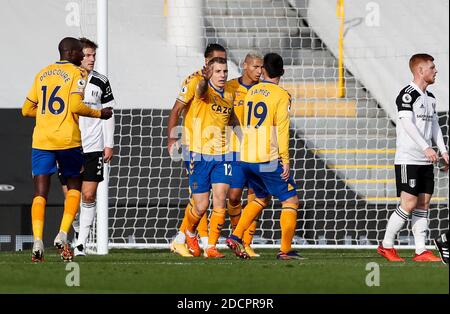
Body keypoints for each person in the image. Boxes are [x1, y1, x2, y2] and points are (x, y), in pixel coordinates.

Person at [22, 37, 113, 262]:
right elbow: (74, 106)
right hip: (68, 140)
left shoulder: (42, 73)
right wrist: (99, 114)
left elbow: (26, 109)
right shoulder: (77, 74)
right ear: (71, 53)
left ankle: (37, 240)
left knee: (40, 192)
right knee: (74, 188)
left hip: (42, 140)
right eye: (81, 53)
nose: (84, 57)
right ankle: (63, 234)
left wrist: (48, 115)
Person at [226, 53, 303, 260]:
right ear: (282, 72)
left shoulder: (251, 92)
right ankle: (285, 250)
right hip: (266, 157)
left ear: (264, 71)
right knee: (291, 201)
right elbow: (282, 129)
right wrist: (285, 159)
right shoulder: (281, 95)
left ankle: (235, 236)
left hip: (246, 155)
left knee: (260, 197)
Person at [377, 53, 449, 262]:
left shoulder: (431, 98)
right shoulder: (407, 94)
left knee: (423, 204)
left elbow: (435, 126)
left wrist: (443, 150)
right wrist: (426, 147)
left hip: (426, 160)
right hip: (408, 158)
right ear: (420, 70)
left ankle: (420, 251)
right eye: (432, 67)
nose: (435, 71)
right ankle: (386, 245)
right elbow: (407, 124)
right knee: (408, 204)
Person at [167, 44, 226, 257]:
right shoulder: (194, 82)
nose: (221, 69)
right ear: (207, 62)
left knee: (210, 197)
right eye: (216, 63)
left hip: (217, 149)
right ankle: (187, 238)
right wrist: (172, 138)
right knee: (199, 198)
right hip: (193, 146)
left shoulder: (224, 89)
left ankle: (190, 239)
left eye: (223, 64)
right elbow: (176, 109)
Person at [59, 37, 116, 256]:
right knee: (71, 198)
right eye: (87, 55)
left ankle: (81, 243)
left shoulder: (101, 81)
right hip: (69, 145)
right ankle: (75, 234)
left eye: (94, 55)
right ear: (76, 55)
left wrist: (109, 143)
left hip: (94, 147)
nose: (91, 59)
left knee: (89, 195)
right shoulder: (66, 80)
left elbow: (109, 113)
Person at [182, 56, 235, 258]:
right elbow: (201, 89)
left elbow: (229, 119)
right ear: (209, 72)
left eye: (225, 71)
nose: (222, 75)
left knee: (221, 199)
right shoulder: (203, 90)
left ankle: (211, 247)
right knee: (202, 205)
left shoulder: (229, 94)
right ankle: (189, 231)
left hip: (222, 155)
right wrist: (204, 80)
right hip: (199, 154)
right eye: (218, 71)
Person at [224, 51, 264, 257]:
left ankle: (246, 241)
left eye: (261, 67)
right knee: (233, 196)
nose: (259, 71)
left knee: (255, 197)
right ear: (244, 66)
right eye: (255, 67)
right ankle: (236, 235)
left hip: (257, 151)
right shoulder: (230, 87)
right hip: (234, 149)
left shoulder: (264, 90)